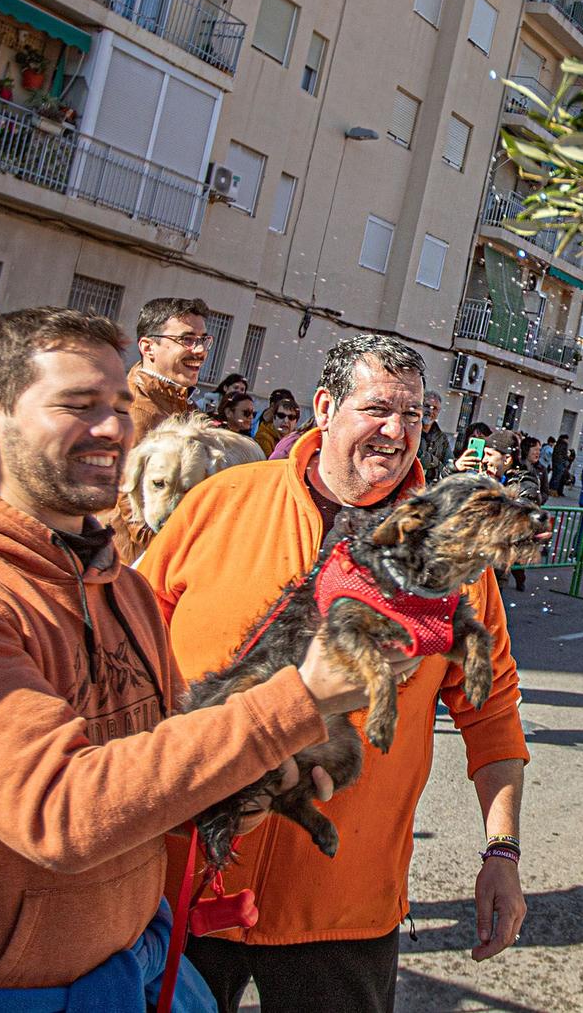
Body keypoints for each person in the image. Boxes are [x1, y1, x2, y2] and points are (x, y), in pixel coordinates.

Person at [0, 308, 368, 1011]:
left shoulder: (121, 587)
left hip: (126, 967)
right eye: (77, 405)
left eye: (119, 405)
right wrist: (295, 702)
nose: (114, 427)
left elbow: (149, 767)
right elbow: (61, 809)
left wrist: (245, 791)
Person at [141, 335, 528, 1013]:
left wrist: (502, 850)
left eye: (414, 414)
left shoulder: (454, 550)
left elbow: (491, 713)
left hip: (343, 905)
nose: (397, 430)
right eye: (378, 407)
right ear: (324, 406)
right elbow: (125, 648)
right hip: (181, 878)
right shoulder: (223, 501)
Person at [115, 296, 210, 557]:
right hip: (131, 564)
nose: (199, 350)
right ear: (148, 348)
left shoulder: (179, 402)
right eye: (187, 339)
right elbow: (127, 500)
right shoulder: (135, 408)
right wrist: (169, 553)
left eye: (203, 340)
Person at [455, 436, 541, 593]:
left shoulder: (525, 483)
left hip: (494, 565)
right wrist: (453, 471)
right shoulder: (487, 476)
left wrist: (489, 490)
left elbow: (512, 520)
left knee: (485, 612)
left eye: (489, 454)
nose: (483, 460)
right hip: (463, 562)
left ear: (507, 458)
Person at [253, 388, 299, 458]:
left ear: (296, 421)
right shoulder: (263, 437)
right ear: (274, 418)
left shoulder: (299, 440)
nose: (286, 420)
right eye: (281, 416)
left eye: (291, 417)